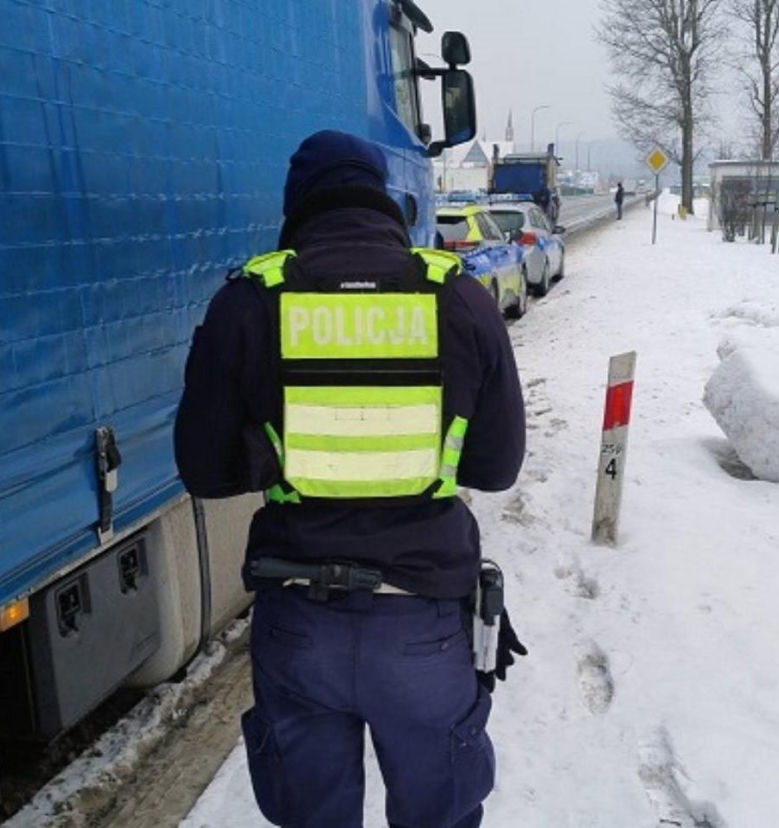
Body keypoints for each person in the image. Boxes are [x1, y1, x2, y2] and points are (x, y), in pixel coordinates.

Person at [174, 130, 527, 828]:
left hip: (300, 625)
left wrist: (278, 455)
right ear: (384, 200)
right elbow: (497, 466)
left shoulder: (248, 301)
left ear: (297, 206)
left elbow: (203, 472)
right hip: (424, 622)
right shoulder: (457, 298)